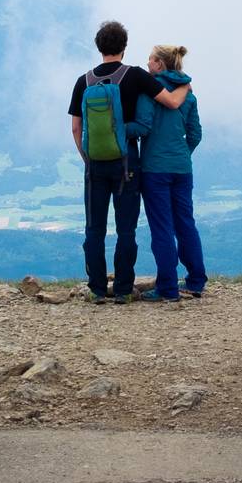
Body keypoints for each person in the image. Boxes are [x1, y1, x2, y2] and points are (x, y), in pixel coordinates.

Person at [69, 20, 189, 303]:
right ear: (124, 47)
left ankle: (97, 288)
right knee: (126, 228)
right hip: (126, 164)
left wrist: (88, 157)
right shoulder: (135, 76)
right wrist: (187, 85)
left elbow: (76, 128)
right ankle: (123, 289)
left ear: (99, 47)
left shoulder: (83, 81)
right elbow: (171, 102)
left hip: (95, 164)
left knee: (94, 228)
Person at [130, 44, 205, 302]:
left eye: (151, 59)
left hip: (154, 169)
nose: (148, 63)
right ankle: (196, 281)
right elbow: (195, 134)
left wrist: (117, 128)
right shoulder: (189, 95)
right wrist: (182, 154)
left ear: (160, 64)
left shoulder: (149, 92)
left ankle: (168, 288)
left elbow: (142, 127)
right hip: (182, 169)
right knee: (186, 223)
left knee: (162, 228)